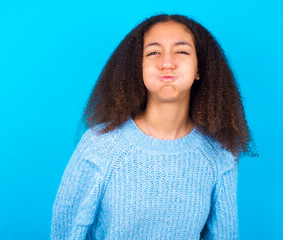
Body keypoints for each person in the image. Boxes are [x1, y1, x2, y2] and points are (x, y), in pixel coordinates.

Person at [51, 14, 256, 239]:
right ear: (138, 68)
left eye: (181, 51)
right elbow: (66, 231)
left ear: (199, 68)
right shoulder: (100, 146)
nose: (167, 63)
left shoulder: (220, 154)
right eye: (153, 52)